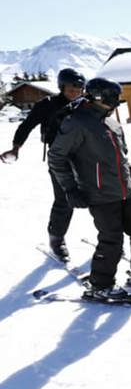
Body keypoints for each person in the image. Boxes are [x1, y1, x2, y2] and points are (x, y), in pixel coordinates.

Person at [46, 78, 131, 302]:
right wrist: (70, 188)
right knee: (112, 239)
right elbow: (56, 157)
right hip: (99, 193)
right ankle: (100, 286)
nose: (116, 104)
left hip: (125, 191)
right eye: (113, 98)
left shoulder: (111, 122)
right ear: (100, 97)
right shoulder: (76, 123)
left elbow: (121, 157)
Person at [1, 68, 86, 261]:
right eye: (71, 89)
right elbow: (26, 125)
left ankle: (107, 238)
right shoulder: (47, 105)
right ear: (62, 87)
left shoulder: (84, 104)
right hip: (59, 159)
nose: (75, 93)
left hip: (85, 156)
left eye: (79, 89)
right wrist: (16, 148)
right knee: (65, 199)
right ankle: (57, 238)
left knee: (98, 195)